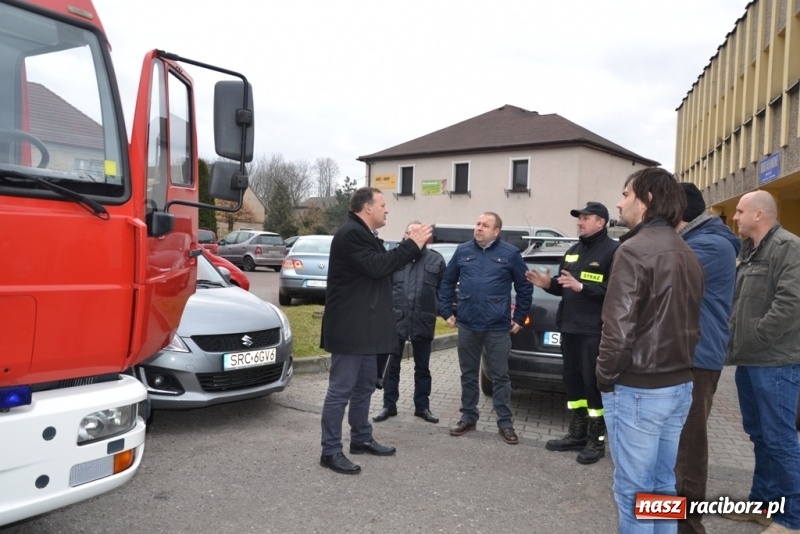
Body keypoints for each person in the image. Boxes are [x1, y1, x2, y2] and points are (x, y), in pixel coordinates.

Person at [596, 167, 704, 533]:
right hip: (679, 387)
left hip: (640, 389)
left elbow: (618, 329)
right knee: (661, 489)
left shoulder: (633, 250)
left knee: (634, 495)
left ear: (648, 199)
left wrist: (604, 377)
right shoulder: (686, 251)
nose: (619, 201)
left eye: (625, 194)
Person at [319, 187, 432, 475]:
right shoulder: (351, 234)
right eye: (382, 204)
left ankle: (361, 438)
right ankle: (330, 450)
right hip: (350, 329)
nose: (387, 209)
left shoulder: (365, 235)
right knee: (340, 390)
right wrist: (411, 246)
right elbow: (377, 267)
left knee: (365, 385)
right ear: (367, 207)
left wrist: (407, 248)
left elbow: (382, 268)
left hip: (366, 330)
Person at [724, 190, 800, 533]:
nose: (735, 217)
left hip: (776, 362)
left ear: (759, 215)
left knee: (780, 439)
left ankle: (793, 518)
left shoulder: (788, 247)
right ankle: (762, 505)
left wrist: (755, 335)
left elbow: (790, 304)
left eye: (740, 211)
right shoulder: (750, 251)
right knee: (760, 436)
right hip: (750, 360)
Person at [526, 202, 618, 465]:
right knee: (573, 383)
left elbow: (615, 292)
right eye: (579, 218)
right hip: (569, 328)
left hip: (593, 331)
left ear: (600, 222)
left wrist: (583, 288)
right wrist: (549, 284)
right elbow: (565, 286)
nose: (580, 222)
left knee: (593, 386)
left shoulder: (614, 251)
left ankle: (596, 441)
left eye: (585, 218)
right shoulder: (573, 251)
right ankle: (576, 434)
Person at [674, 183, 740, 534]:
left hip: (698, 357)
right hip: (687, 353)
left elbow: (663, 277)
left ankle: (687, 524)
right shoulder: (693, 240)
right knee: (680, 441)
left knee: (689, 445)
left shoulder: (710, 245)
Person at [438, 211, 532, 445]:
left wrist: (519, 318)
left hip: (498, 327)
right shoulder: (463, 251)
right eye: (478, 223)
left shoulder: (510, 254)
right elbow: (447, 282)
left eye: (485, 225)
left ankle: (505, 423)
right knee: (468, 374)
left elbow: (524, 287)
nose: (479, 228)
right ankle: (468, 417)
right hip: (468, 325)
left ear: (497, 231)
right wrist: (446, 311)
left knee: (500, 376)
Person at [373, 221, 447, 425]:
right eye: (408, 233)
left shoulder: (436, 260)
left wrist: (444, 312)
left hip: (423, 321)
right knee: (391, 367)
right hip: (395, 321)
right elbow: (383, 289)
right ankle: (389, 406)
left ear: (425, 237)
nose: (411, 236)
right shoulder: (394, 258)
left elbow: (442, 291)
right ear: (405, 236)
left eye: (416, 233)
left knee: (422, 368)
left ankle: (422, 407)